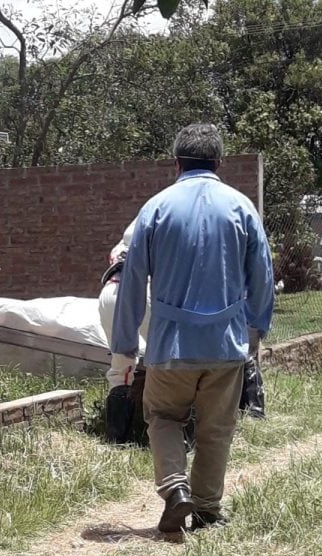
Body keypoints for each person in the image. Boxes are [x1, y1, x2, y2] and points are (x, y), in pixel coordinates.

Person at [111, 124, 274, 533]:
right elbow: (263, 276)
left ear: (177, 162)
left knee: (164, 416)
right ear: (219, 163)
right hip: (226, 345)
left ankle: (174, 488)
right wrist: (256, 331)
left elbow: (131, 281)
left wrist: (125, 344)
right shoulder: (242, 208)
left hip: (170, 345)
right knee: (216, 428)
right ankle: (206, 510)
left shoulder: (156, 209)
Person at [98, 219, 150, 445]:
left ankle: (118, 439)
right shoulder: (160, 228)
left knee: (121, 367)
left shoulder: (123, 242)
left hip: (109, 292)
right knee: (167, 359)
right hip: (140, 292)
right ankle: (168, 433)